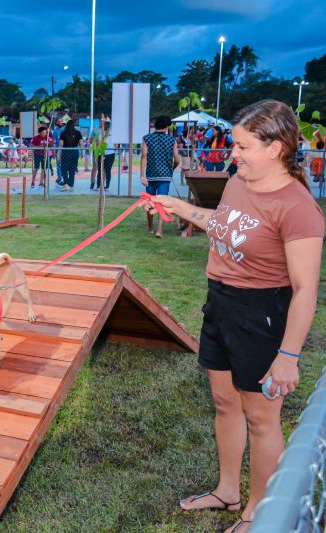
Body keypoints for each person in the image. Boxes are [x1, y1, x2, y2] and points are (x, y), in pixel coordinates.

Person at [144, 100, 324, 533]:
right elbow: (223, 225)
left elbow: (305, 290)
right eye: (234, 144)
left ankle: (258, 513)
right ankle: (228, 492)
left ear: (275, 149)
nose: (233, 154)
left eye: (242, 147)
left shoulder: (298, 207)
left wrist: (288, 356)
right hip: (220, 302)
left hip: (262, 314)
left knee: (261, 419)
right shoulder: (238, 182)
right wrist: (178, 206)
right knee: (226, 404)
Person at [140, 115, 179, 238]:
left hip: (151, 176)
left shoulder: (147, 138)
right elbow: (177, 159)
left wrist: (142, 175)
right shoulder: (172, 140)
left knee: (149, 202)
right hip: (165, 177)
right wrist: (171, 169)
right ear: (167, 127)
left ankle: (150, 227)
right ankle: (160, 230)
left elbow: (144, 156)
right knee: (162, 203)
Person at [59, 119, 82, 191]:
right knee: (72, 169)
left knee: (64, 169)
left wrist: (58, 153)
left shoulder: (63, 133)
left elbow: (61, 144)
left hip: (65, 152)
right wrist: (82, 152)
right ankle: (71, 186)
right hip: (74, 152)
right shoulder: (78, 133)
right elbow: (81, 144)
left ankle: (65, 185)